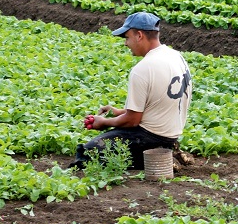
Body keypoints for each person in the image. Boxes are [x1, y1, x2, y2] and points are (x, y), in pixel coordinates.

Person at [70, 12, 192, 170]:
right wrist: (118, 112)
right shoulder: (176, 57)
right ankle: (167, 151)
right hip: (171, 135)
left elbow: (132, 120)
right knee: (113, 137)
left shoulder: (143, 69)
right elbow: (156, 105)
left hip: (149, 137)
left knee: (87, 153)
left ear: (139, 35)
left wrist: (104, 122)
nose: (125, 43)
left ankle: (157, 159)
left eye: (127, 37)